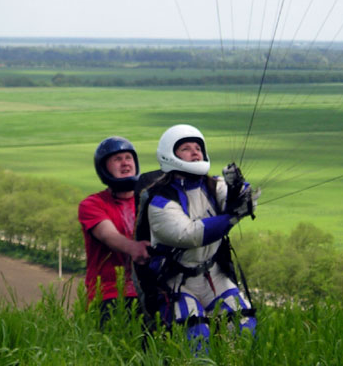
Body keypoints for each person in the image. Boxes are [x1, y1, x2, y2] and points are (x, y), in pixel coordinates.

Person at [138, 124, 257, 348]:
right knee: (196, 335)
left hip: (215, 274)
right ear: (170, 155)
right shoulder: (160, 200)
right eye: (186, 148)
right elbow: (189, 234)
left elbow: (243, 200)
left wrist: (238, 191)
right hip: (178, 281)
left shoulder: (212, 185)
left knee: (244, 328)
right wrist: (232, 217)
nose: (195, 152)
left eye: (198, 148)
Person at [78, 136, 151, 322]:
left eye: (128, 158)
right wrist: (134, 248)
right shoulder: (93, 204)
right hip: (110, 293)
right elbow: (107, 234)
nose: (125, 164)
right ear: (104, 167)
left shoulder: (151, 200)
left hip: (151, 291)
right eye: (117, 159)